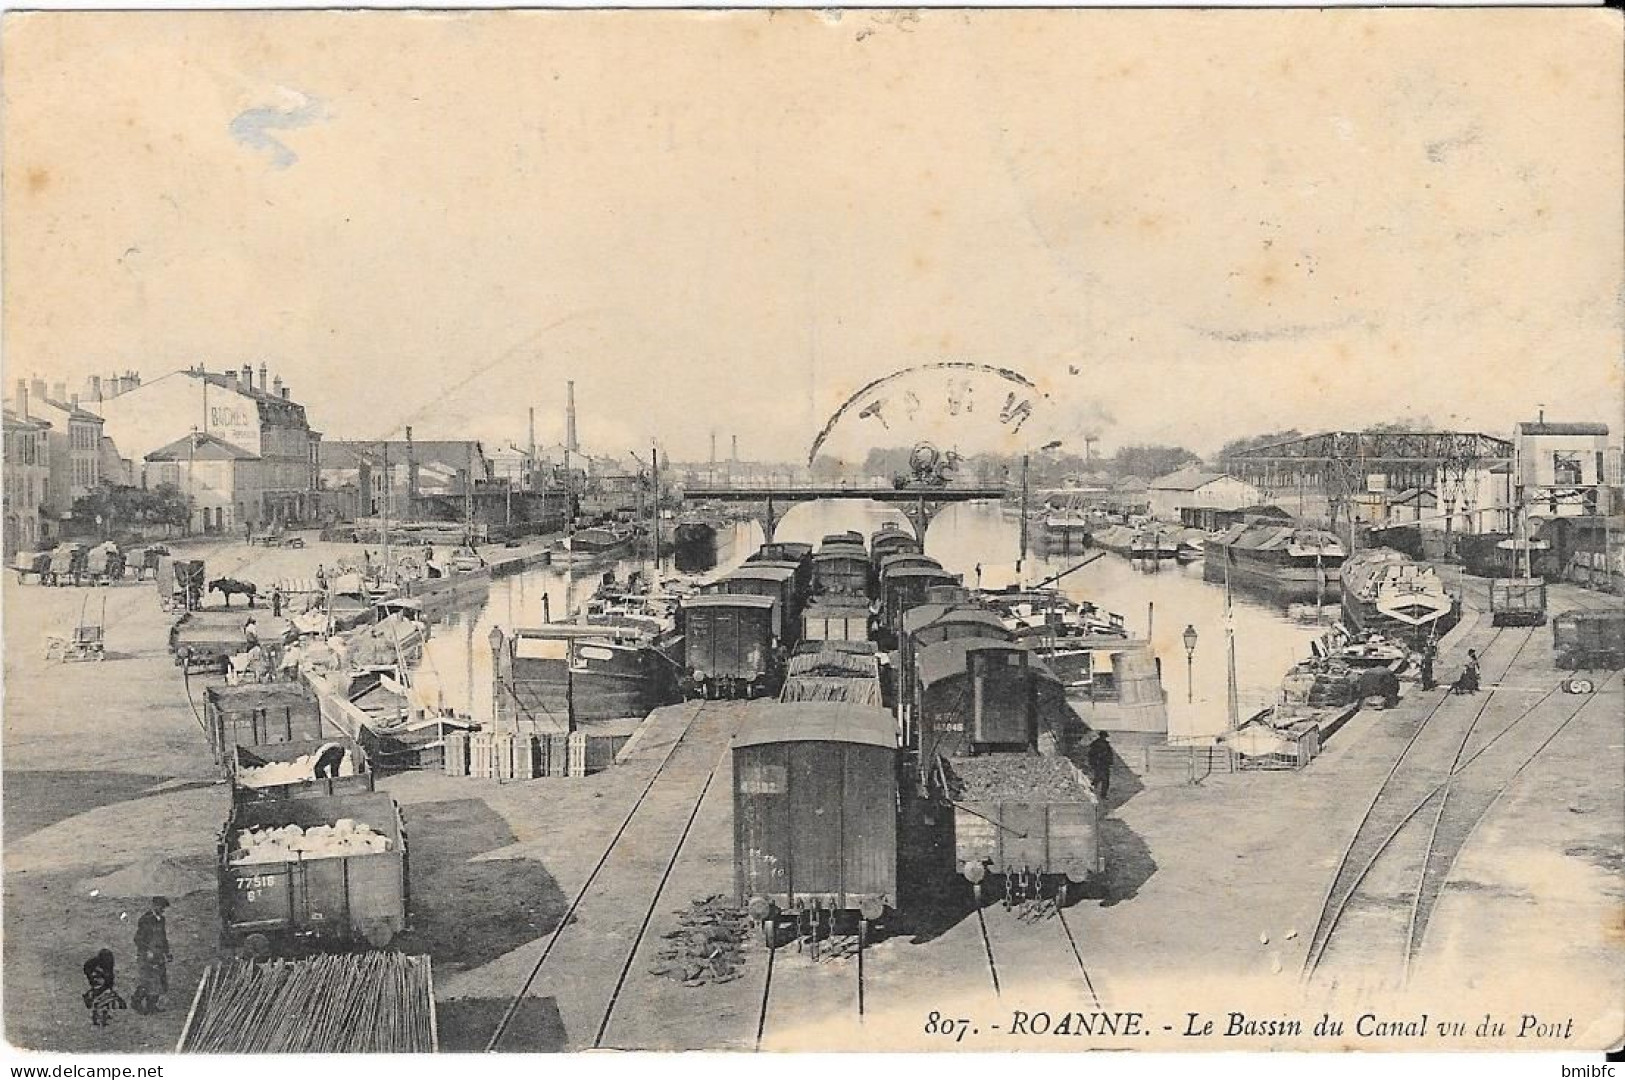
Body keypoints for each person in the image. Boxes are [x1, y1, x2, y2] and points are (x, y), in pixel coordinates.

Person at [131, 897, 171, 1015]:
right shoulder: (145, 920)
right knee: (148, 981)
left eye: (163, 908)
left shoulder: (161, 920)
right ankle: (136, 1002)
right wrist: (146, 951)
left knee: (160, 981)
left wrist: (166, 952)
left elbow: (163, 938)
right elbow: (138, 939)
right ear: (153, 906)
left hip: (158, 954)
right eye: (160, 907)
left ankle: (151, 1006)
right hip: (146, 955)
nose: (162, 910)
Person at [82, 949, 125, 1028]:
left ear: (108, 976)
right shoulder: (87, 997)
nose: (93, 978)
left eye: (99, 975)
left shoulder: (114, 1003)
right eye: (90, 974)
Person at [1086, 731, 1114, 802]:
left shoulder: (1104, 744)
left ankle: (1099, 793)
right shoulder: (1097, 744)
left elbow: (1109, 755)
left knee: (1101, 779)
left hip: (1104, 765)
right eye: (1104, 736)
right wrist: (1093, 763)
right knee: (1102, 779)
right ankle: (1094, 791)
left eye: (1105, 736)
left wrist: (1110, 762)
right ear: (1101, 736)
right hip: (1100, 765)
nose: (1104, 738)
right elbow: (1091, 755)